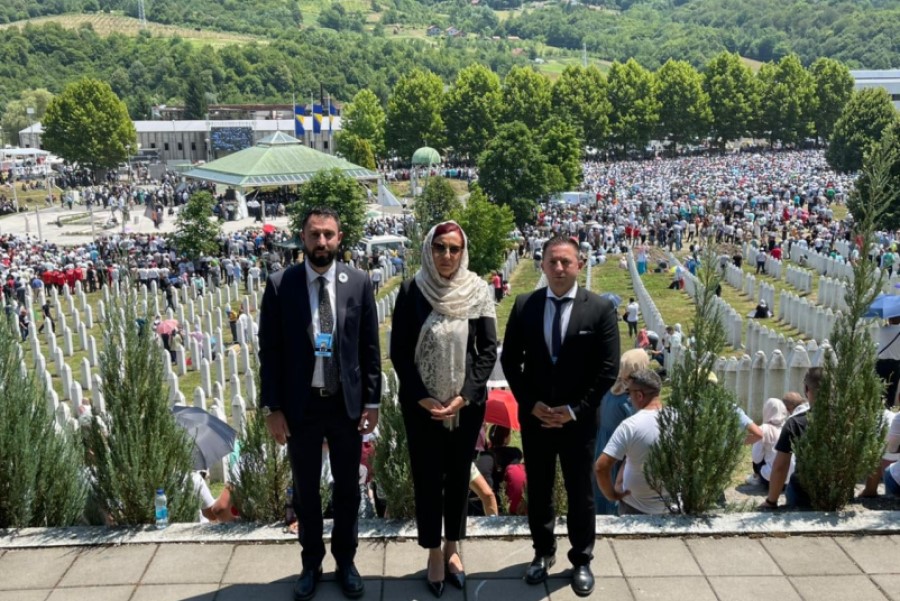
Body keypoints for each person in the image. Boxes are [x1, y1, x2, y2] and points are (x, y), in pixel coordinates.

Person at [258, 206, 381, 601]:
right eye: (314, 235)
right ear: (303, 238)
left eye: (329, 234)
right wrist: (272, 408)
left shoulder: (358, 282)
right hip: (302, 407)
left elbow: (369, 347)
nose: (322, 242)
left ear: (339, 238)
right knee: (306, 490)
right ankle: (311, 563)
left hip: (345, 407)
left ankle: (346, 560)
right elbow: (270, 351)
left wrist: (372, 401)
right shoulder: (281, 284)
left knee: (348, 489)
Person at [501, 235, 620, 598]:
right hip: (537, 418)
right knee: (539, 488)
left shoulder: (599, 309)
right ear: (542, 264)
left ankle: (581, 559)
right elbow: (511, 361)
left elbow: (608, 368)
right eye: (552, 261)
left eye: (566, 261)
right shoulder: (525, 305)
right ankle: (542, 552)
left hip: (578, 421)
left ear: (579, 264)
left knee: (580, 490)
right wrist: (531, 402)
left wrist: (574, 410)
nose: (559, 268)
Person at [390, 221, 498, 598]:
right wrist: (422, 396)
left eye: (454, 248)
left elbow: (486, 351)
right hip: (422, 407)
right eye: (440, 247)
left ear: (462, 251)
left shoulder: (478, 291)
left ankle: (454, 547)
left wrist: (463, 396)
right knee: (427, 477)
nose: (447, 255)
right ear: (428, 249)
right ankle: (433, 551)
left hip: (464, 407)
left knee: (457, 477)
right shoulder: (411, 291)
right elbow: (399, 352)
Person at [594, 369, 669, 515]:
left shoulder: (630, 426)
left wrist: (612, 495)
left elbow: (601, 467)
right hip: (673, 507)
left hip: (635, 508)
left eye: (629, 393)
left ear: (639, 395)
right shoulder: (680, 419)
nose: (629, 398)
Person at [593, 348, 649, 514]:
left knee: (601, 490)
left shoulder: (611, 388)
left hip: (603, 444)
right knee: (617, 488)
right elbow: (637, 426)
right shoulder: (628, 398)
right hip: (620, 451)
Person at [763, 368, 823, 510]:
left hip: (804, 494)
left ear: (806, 389)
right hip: (840, 490)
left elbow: (780, 466)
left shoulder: (796, 423)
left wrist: (771, 501)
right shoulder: (848, 419)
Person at [747, 398, 789, 488]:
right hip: (790, 480)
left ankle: (757, 477)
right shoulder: (789, 425)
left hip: (771, 480)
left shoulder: (763, 429)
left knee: (757, 458)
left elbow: (756, 458)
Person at [876, 315, 900, 409]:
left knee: (878, 389)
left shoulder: (883, 330)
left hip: (881, 363)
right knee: (891, 391)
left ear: (890, 319)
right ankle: (887, 409)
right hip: (895, 365)